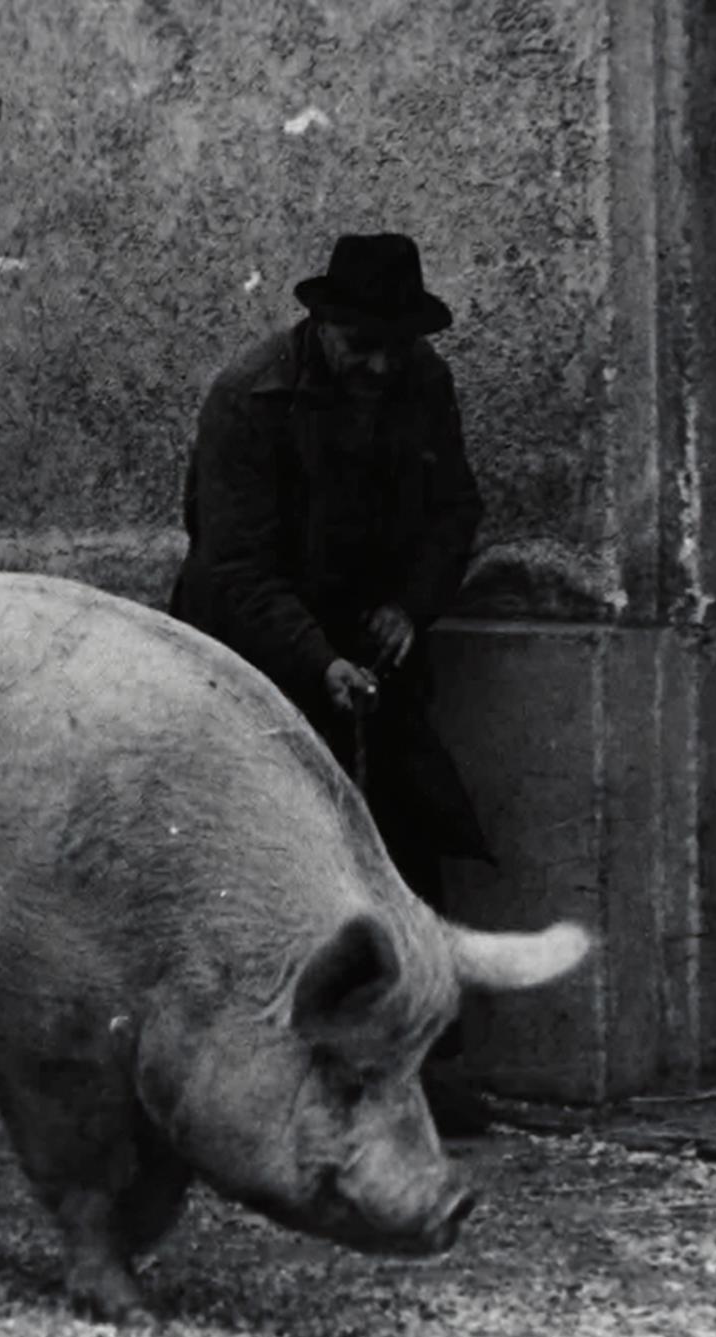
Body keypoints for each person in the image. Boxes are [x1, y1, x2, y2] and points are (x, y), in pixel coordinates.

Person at [166, 232, 495, 1134]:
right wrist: (320, 662)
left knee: (404, 840)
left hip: (369, 646)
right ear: (323, 323)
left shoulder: (420, 380)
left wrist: (410, 606)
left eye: (396, 343)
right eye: (362, 343)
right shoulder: (249, 396)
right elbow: (234, 564)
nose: (380, 364)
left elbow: (453, 510)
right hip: (257, 648)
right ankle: (257, 1065)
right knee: (270, 855)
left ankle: (419, 1066)